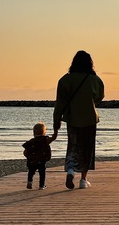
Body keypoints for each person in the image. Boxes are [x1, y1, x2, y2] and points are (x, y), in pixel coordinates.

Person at [53, 50, 104, 189]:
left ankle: (70, 171)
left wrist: (56, 124)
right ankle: (83, 180)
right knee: (87, 149)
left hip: (72, 118)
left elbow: (60, 104)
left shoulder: (65, 80)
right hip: (89, 118)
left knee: (73, 146)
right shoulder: (95, 79)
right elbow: (99, 97)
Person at [22, 122, 57, 190]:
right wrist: (56, 130)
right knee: (42, 173)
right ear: (44, 132)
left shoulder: (31, 142)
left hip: (32, 160)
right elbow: (53, 138)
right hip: (41, 160)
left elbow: (25, 152)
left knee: (31, 171)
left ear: (34, 132)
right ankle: (41, 185)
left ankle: (29, 182)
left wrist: (28, 156)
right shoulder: (45, 140)